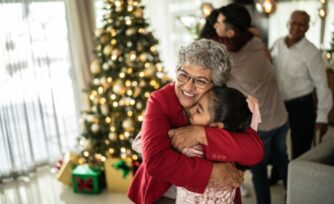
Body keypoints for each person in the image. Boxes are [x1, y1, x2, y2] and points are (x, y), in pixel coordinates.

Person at [128, 39, 264, 204]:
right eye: (184, 75)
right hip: (164, 191)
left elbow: (254, 152)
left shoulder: (223, 101)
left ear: (217, 85)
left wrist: (202, 134)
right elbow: (156, 162)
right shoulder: (160, 100)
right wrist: (212, 172)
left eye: (200, 81)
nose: (188, 87)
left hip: (212, 196)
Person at [197, 3, 289, 204]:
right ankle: (294, 195)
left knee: (259, 170)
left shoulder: (230, 59)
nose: (215, 26)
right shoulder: (256, 42)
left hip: (261, 124)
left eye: (219, 22)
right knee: (283, 159)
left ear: (230, 32)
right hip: (280, 116)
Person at [176, 86, 261, 204]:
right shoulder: (232, 144)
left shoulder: (189, 146)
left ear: (216, 126)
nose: (191, 109)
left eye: (199, 110)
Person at [271, 10, 333, 159]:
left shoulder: (312, 52)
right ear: (288, 23)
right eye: (293, 23)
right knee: (276, 144)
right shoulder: (278, 43)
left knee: (301, 149)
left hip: (302, 106)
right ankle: (277, 174)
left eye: (301, 25)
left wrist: (322, 116)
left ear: (307, 28)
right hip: (279, 104)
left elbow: (322, 85)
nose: (296, 27)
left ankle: (297, 180)